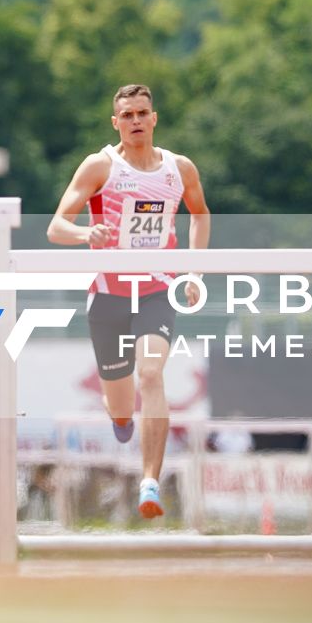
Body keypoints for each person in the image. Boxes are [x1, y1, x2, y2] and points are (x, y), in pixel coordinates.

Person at [46, 83, 210, 520]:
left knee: (152, 375)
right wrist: (86, 233)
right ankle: (120, 420)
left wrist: (194, 270)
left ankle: (149, 482)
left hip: (157, 290)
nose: (136, 121)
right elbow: (57, 226)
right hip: (109, 297)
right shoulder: (101, 166)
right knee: (119, 404)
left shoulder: (179, 169)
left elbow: (201, 213)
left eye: (143, 113)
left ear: (154, 118)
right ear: (115, 121)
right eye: (127, 115)